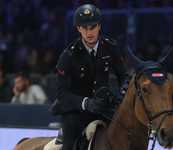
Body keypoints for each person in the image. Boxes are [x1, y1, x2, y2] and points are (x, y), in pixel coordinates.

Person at [49, 4, 131, 150]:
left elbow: (123, 75)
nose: (89, 32)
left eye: (92, 27)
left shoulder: (111, 46)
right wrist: (86, 103)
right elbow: (61, 92)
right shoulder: (68, 56)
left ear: (99, 26)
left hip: (104, 109)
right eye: (85, 28)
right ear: (78, 29)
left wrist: (124, 90)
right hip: (76, 112)